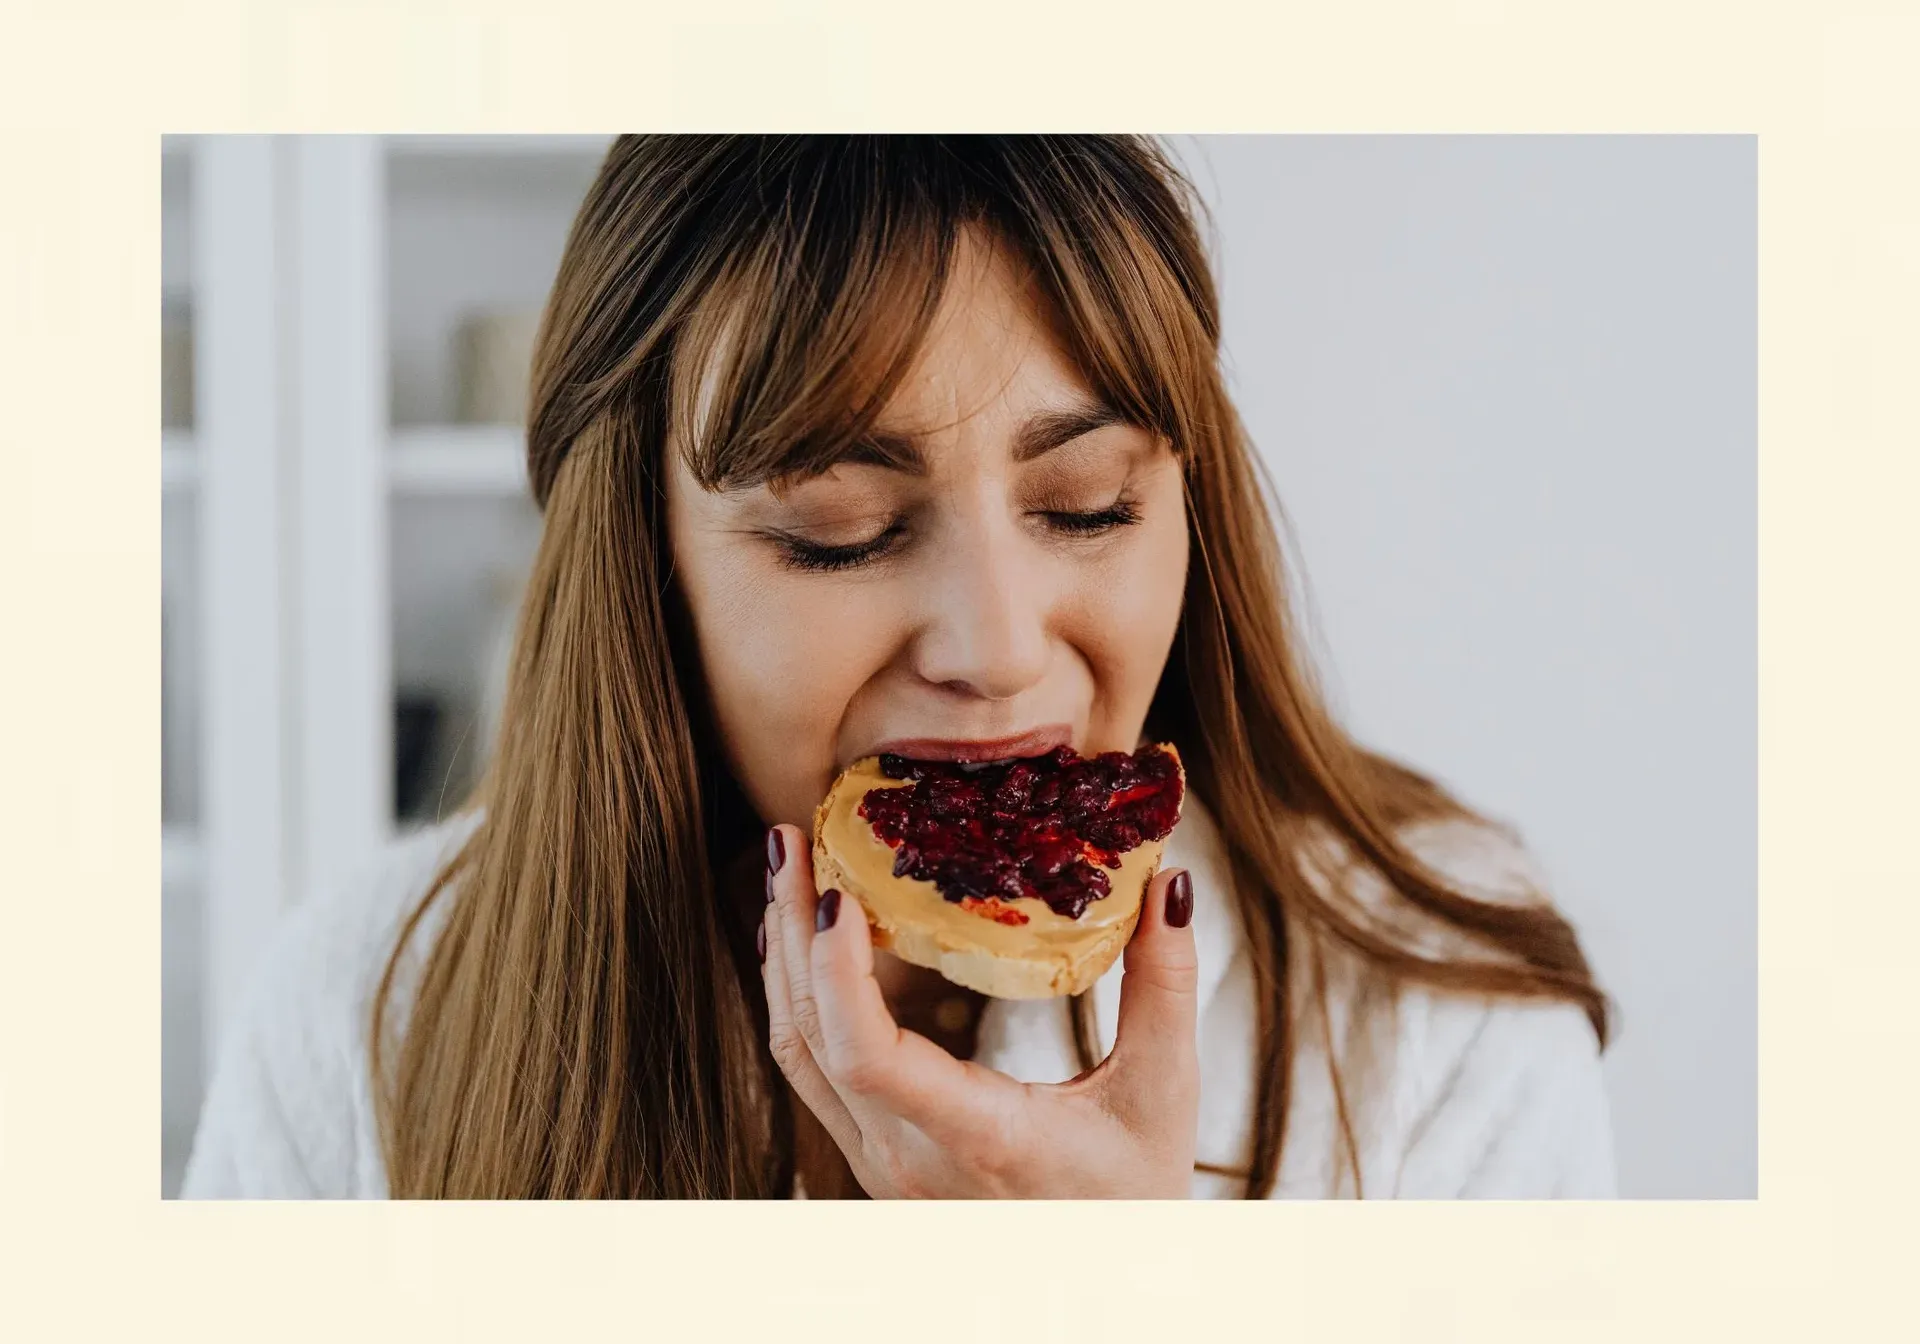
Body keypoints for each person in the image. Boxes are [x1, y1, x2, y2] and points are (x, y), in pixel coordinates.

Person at [182, 135, 1615, 1199]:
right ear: (640, 567)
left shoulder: (1437, 1012)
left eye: (1090, 507)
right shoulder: (361, 1021)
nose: (997, 650)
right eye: (842, 534)